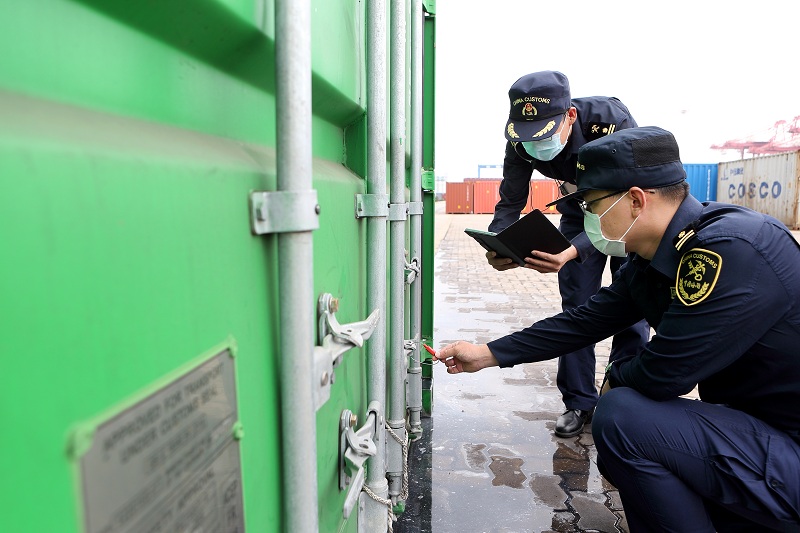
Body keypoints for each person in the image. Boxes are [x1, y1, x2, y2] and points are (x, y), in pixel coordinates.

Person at [436, 126, 800, 532]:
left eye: (591, 205)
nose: (586, 219)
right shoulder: (653, 259)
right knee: (622, 430)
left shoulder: (729, 249)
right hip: (758, 438)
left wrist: (613, 379)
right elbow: (584, 321)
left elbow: (666, 372)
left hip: (789, 452)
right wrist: (486, 353)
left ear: (636, 200)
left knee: (624, 417)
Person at [489, 70, 649, 438]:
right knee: (577, 308)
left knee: (633, 304)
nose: (533, 145)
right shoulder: (520, 139)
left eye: (543, 135)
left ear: (570, 117)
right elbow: (509, 201)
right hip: (579, 210)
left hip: (625, 212)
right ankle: (579, 401)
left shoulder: (611, 123)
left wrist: (573, 252)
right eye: (527, 136)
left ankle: (624, 398)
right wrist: (500, 245)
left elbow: (632, 200)